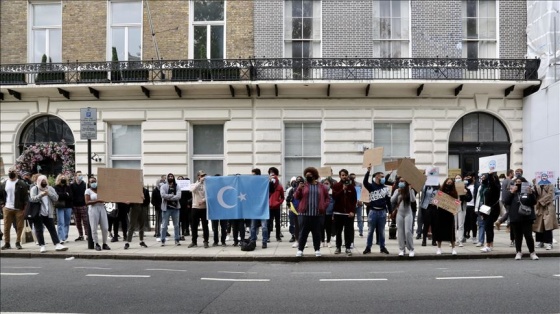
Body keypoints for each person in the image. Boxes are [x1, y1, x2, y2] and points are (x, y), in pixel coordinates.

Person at [294, 167, 330, 257]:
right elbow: (296, 197)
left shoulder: (321, 187)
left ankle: (317, 249)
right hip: (304, 213)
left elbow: (327, 198)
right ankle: (300, 250)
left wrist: (324, 206)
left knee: (316, 233)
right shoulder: (303, 185)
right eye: (306, 175)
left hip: (317, 214)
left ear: (314, 176)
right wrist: (299, 188)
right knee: (303, 233)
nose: (308, 177)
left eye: (310, 175)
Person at [29, 175, 68, 253]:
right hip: (38, 213)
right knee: (39, 230)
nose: (44, 183)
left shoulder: (50, 188)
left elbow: (56, 198)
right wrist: (41, 195)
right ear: (39, 181)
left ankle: (57, 244)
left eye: (45, 181)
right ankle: (42, 245)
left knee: (52, 229)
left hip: (48, 212)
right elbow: (32, 199)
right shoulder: (35, 189)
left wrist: (48, 193)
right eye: (42, 181)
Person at [502, 176, 538, 260]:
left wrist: (531, 194)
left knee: (528, 235)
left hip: (526, 217)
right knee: (517, 236)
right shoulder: (512, 191)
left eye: (520, 181)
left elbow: (534, 202)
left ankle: (532, 252)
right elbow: (506, 201)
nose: (518, 183)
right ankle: (518, 252)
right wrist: (512, 192)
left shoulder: (527, 192)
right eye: (516, 181)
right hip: (515, 217)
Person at [362, 166, 391, 254]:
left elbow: (388, 201)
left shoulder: (385, 188)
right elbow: (365, 182)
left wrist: (390, 211)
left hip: (382, 212)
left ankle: (382, 247)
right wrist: (368, 171)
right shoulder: (371, 187)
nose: (383, 178)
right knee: (370, 230)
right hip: (373, 211)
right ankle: (368, 247)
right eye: (381, 177)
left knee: (381, 231)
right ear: (377, 177)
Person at [0, 167, 29, 250]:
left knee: (19, 226)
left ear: (16, 173)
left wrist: (24, 208)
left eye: (13, 171)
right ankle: (7, 243)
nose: (11, 172)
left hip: (18, 208)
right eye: (10, 171)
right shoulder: (4, 184)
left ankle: (18, 242)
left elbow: (25, 197)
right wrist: (2, 204)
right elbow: (1, 195)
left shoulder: (22, 184)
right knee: (6, 226)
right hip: (7, 208)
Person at [332, 169, 357, 256]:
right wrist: (342, 189)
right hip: (338, 213)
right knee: (338, 231)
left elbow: (354, 200)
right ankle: (338, 247)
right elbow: (335, 197)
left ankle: (348, 247)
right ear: (339, 176)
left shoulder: (351, 186)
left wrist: (352, 211)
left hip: (348, 213)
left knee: (348, 231)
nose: (344, 176)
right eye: (342, 175)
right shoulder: (336, 186)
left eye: (345, 175)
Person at [432, 178, 460, 255]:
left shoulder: (454, 192)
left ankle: (453, 248)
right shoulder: (441, 191)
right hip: (441, 212)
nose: (449, 184)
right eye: (448, 182)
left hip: (449, 213)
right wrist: (435, 202)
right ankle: (439, 248)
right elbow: (436, 201)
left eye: (450, 183)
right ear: (445, 182)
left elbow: (456, 203)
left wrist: (455, 210)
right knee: (439, 231)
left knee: (451, 231)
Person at [390, 177, 416, 257]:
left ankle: (411, 249)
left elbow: (413, 200)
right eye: (400, 181)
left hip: (408, 213)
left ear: (406, 182)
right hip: (400, 213)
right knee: (400, 232)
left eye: (403, 181)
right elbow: (392, 200)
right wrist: (398, 192)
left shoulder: (410, 190)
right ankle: (401, 249)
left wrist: (411, 190)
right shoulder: (397, 190)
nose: (401, 182)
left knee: (408, 231)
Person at [85, 176, 110, 251]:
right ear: (89, 183)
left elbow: (106, 199)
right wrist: (97, 201)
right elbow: (87, 202)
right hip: (93, 209)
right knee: (94, 227)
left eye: (94, 181)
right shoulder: (88, 191)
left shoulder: (100, 190)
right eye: (91, 182)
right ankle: (96, 243)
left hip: (101, 208)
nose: (93, 183)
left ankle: (104, 243)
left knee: (105, 227)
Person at [478, 172, 501, 253]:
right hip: (486, 208)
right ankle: (490, 244)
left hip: (493, 209)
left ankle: (487, 245)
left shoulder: (495, 187)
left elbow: (492, 184)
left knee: (488, 226)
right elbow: (482, 194)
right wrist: (484, 180)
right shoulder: (487, 186)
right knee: (489, 227)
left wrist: (490, 175)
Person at [533, 181, 558, 250]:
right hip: (539, 208)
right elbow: (534, 195)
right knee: (539, 225)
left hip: (547, 207)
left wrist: (540, 201)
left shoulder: (550, 185)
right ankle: (541, 241)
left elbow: (550, 195)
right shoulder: (537, 185)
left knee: (548, 225)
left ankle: (549, 242)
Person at [160, 173, 182, 246]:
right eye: (169, 176)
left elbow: (179, 196)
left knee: (176, 225)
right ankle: (162, 240)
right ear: (167, 178)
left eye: (171, 176)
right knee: (164, 225)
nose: (170, 177)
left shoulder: (177, 186)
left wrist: (169, 197)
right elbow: (163, 195)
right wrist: (172, 196)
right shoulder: (163, 186)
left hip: (175, 208)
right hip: (166, 209)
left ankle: (177, 240)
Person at [250, 168, 269, 249]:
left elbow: (271, 189)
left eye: (254, 175)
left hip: (263, 207)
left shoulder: (263, 182)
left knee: (264, 226)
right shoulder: (251, 183)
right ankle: (253, 241)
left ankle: (264, 241)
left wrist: (270, 181)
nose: (252, 176)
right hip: (254, 207)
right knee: (253, 226)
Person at [189, 170, 210, 248]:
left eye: (204, 176)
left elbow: (209, 195)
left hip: (204, 208)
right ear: (198, 176)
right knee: (194, 226)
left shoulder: (207, 185)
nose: (203, 177)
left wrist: (203, 200)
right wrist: (199, 182)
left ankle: (206, 241)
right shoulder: (194, 184)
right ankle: (194, 241)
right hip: (195, 207)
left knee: (205, 225)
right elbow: (192, 190)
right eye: (201, 176)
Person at [54, 174, 73, 244]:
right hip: (60, 206)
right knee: (61, 222)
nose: (63, 179)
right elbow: (57, 195)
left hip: (68, 206)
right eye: (62, 178)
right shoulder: (56, 187)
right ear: (59, 179)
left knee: (67, 222)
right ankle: (61, 238)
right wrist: (65, 194)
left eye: (64, 178)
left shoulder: (68, 187)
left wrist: (63, 195)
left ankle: (65, 236)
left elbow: (70, 196)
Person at [454, 174, 473, 247]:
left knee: (461, 224)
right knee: (454, 224)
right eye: (456, 178)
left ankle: (460, 240)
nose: (457, 179)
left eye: (459, 178)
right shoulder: (452, 188)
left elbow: (469, 198)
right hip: (454, 207)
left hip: (461, 207)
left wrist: (465, 193)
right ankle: (454, 239)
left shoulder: (466, 188)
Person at [267, 167, 285, 243]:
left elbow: (283, 197)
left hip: (277, 207)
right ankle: (267, 236)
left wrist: (279, 202)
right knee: (269, 222)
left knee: (278, 223)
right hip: (270, 207)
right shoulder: (268, 184)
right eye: (271, 173)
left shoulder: (279, 186)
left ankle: (278, 236)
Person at [70, 171, 88, 241]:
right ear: (75, 176)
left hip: (83, 205)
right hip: (75, 205)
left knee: (85, 221)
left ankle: (87, 235)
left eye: (81, 175)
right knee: (77, 222)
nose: (80, 176)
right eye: (79, 175)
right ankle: (80, 235)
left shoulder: (85, 185)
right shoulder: (72, 185)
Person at [177, 176, 192, 240]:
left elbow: (190, 196)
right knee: (177, 221)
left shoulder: (186, 188)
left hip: (184, 205)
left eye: (181, 179)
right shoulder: (176, 187)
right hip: (177, 205)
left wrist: (188, 203)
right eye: (179, 179)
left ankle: (183, 233)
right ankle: (177, 234)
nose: (180, 180)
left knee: (184, 220)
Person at [463, 174, 477, 243]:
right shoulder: (465, 186)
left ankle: (474, 236)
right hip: (466, 205)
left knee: (473, 222)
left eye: (469, 178)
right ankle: (465, 235)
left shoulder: (475, 186)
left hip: (473, 205)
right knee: (465, 222)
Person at [321, 178, 334, 248]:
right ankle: (322, 241)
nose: (326, 185)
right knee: (321, 228)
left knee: (328, 228)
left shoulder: (332, 194)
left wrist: (333, 214)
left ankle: (328, 241)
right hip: (322, 213)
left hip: (329, 213)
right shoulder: (320, 193)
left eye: (327, 183)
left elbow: (334, 204)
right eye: (324, 183)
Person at [349, 173, 364, 237]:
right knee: (351, 218)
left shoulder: (359, 184)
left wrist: (361, 200)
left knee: (359, 218)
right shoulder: (348, 184)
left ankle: (361, 231)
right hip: (351, 203)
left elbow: (362, 193)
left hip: (358, 203)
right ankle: (351, 230)